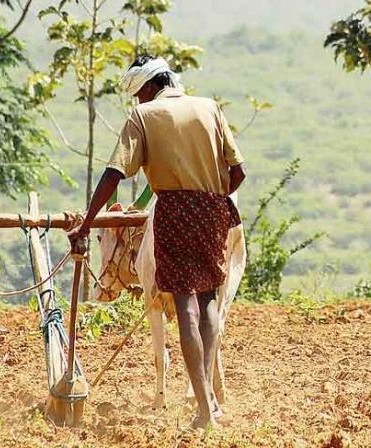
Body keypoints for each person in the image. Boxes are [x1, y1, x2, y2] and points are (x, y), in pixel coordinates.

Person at [69, 55, 246, 429]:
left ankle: (202, 408)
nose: (137, 101)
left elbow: (114, 174)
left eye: (137, 94)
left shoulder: (144, 117)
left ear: (149, 87)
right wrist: (212, 200)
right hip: (216, 208)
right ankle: (210, 400)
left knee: (186, 307)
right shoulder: (210, 108)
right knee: (210, 301)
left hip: (174, 212)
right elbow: (239, 171)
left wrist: (87, 223)